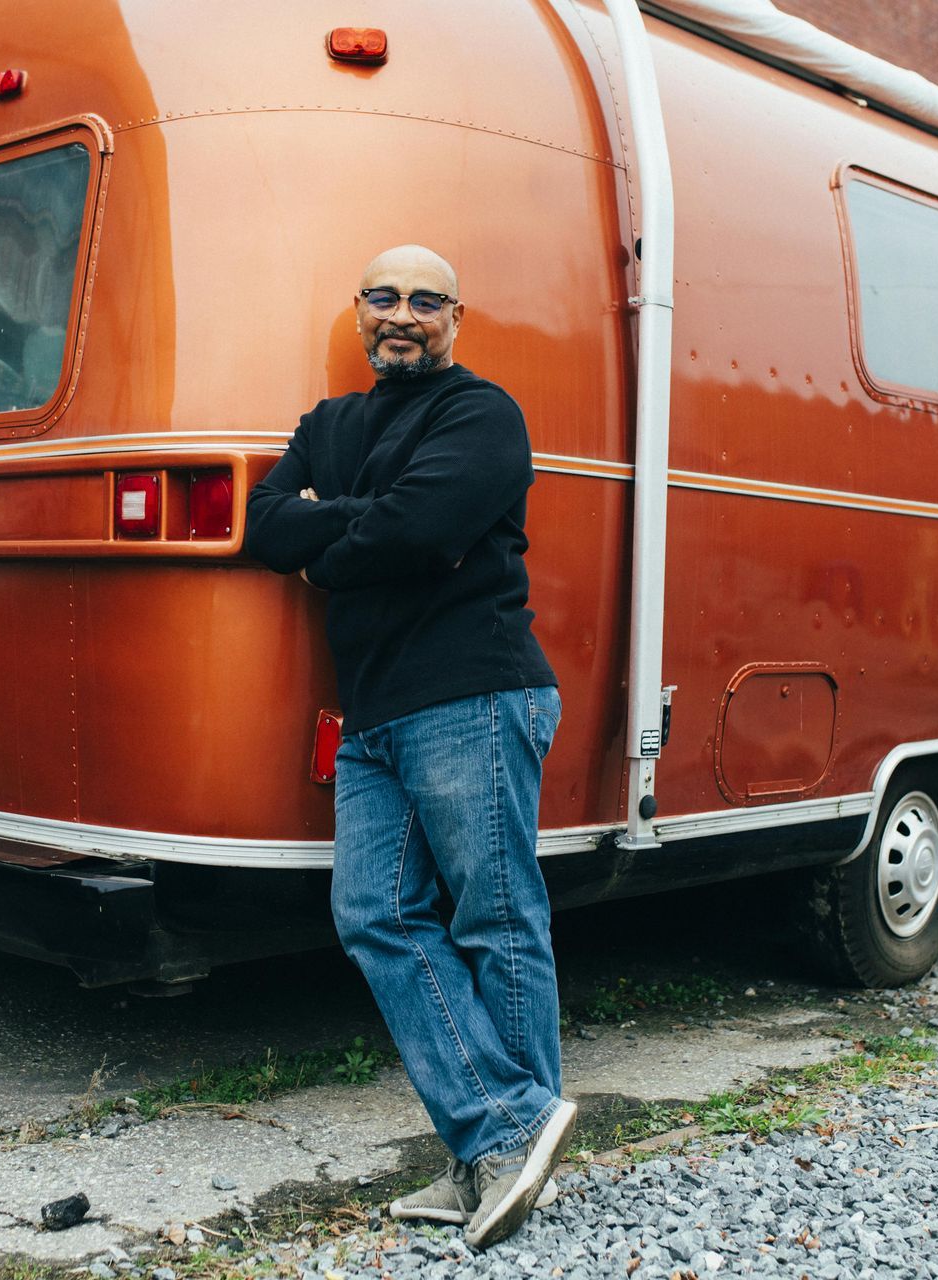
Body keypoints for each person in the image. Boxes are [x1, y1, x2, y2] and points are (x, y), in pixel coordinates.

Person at [244, 244, 572, 1250]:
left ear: (455, 318)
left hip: (474, 690)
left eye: (425, 300)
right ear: (358, 311)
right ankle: (499, 1137)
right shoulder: (328, 424)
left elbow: (422, 530)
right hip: (376, 712)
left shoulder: (481, 414)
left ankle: (504, 1156)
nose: (402, 313)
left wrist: (331, 542)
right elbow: (265, 524)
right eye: (384, 296)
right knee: (373, 913)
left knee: (494, 915)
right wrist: (361, 533)